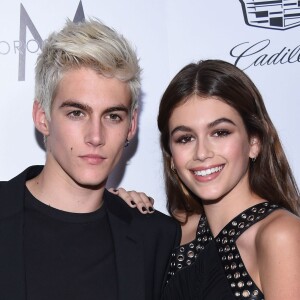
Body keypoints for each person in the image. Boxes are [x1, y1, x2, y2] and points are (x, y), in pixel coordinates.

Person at [0, 19, 180, 300]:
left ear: (131, 126)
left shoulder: (155, 237)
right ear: (42, 117)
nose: (95, 136)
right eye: (76, 113)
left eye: (113, 116)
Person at [113, 59, 300, 300]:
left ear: (254, 142)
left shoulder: (280, 235)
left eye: (220, 132)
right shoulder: (171, 234)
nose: (202, 153)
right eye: (185, 138)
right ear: (171, 156)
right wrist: (113, 211)